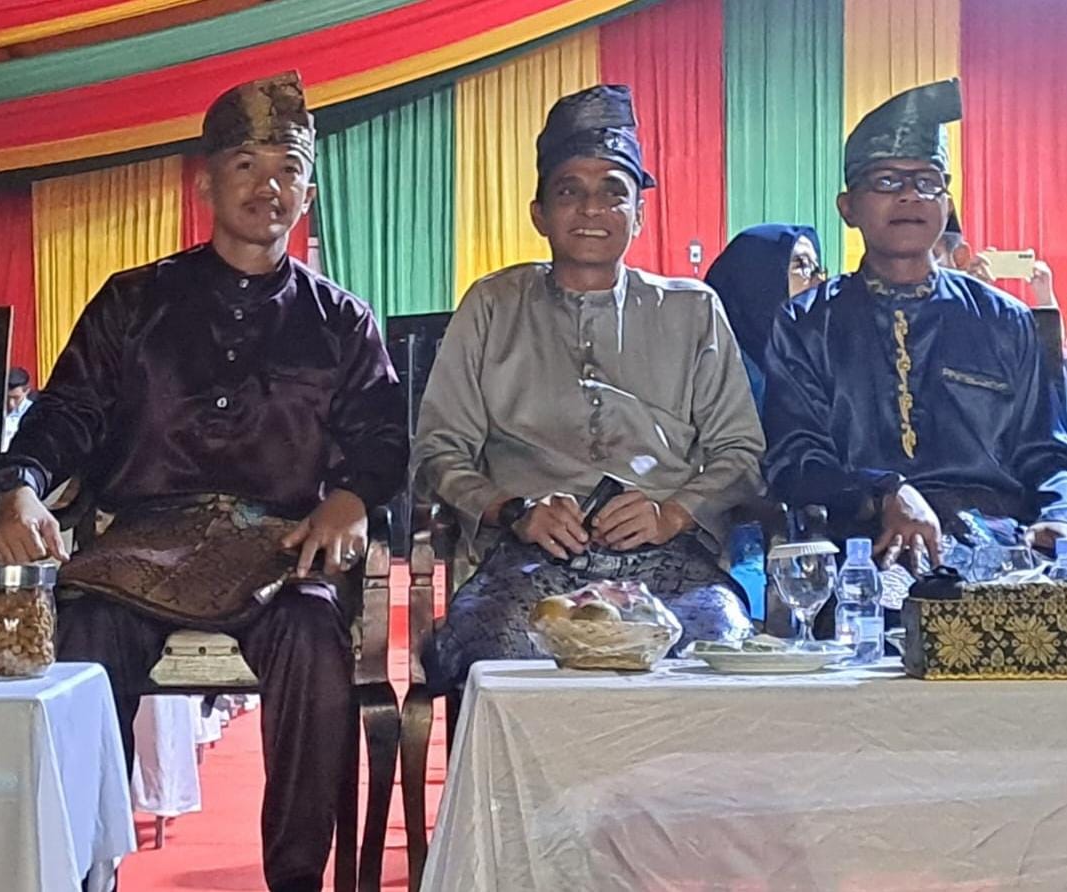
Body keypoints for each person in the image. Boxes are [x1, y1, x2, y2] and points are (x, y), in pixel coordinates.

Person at [0, 72, 406, 892]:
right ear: (205, 183)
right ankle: (81, 873)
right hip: (140, 544)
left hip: (280, 545)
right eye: (245, 165)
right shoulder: (134, 300)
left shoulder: (340, 320)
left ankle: (296, 879)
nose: (267, 186)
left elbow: (382, 435)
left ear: (308, 194)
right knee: (82, 636)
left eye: (287, 168)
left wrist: (351, 498)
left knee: (315, 639)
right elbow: (68, 411)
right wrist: (21, 484)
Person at [414, 85, 764, 694]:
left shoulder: (693, 310)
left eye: (613, 192)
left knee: (719, 652)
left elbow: (740, 451)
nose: (591, 209)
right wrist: (514, 511)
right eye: (569, 191)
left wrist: (672, 513)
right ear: (539, 214)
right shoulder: (493, 305)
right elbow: (439, 451)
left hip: (670, 561)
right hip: (529, 560)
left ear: (639, 214)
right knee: (494, 654)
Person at [763, 79, 1067, 585]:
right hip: (866, 545)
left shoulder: (1004, 319)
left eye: (927, 182)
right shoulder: (807, 323)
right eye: (886, 181)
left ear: (946, 205)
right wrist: (885, 491)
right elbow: (794, 459)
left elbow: (1047, 452)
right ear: (848, 207)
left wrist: (1059, 516)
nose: (909, 195)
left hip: (1002, 544)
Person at [705, 224, 825, 414]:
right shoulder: (711, 381)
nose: (819, 281)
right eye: (802, 265)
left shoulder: (807, 366)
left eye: (817, 269)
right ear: (757, 278)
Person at [0, 366, 35, 451]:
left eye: (16, 398)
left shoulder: (33, 413)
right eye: (7, 397)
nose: (11, 403)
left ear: (26, 391)